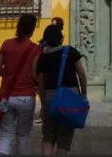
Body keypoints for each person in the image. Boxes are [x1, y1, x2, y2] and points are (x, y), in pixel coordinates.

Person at [35, 22, 88, 155]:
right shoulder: (70, 52)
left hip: (50, 97)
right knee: (64, 139)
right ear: (61, 38)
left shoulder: (43, 57)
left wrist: (43, 101)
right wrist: (83, 93)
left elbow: (40, 83)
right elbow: (81, 74)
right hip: (70, 98)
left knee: (48, 136)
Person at [0, 14, 41, 155]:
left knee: (5, 134)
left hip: (7, 96)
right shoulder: (35, 49)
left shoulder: (6, 44)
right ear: (32, 29)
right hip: (26, 97)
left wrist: (8, 77)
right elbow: (34, 75)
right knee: (23, 137)